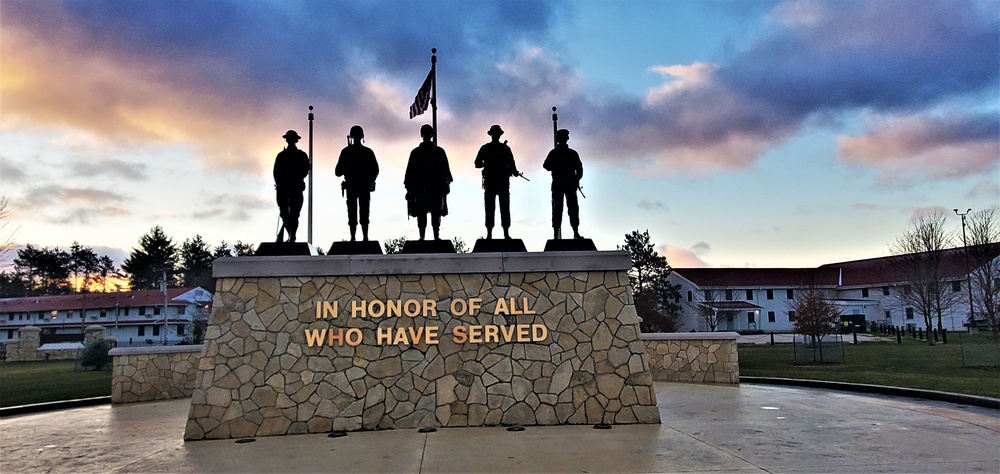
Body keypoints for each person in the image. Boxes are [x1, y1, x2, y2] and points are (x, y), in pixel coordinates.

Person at [404, 124, 452, 240]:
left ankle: (434, 236)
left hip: (434, 187)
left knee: (435, 212)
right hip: (421, 187)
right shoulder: (417, 153)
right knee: (422, 212)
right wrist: (409, 188)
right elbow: (410, 173)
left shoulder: (437, 152)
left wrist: (446, 184)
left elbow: (446, 172)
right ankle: (424, 236)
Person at [474, 125, 520, 239]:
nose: (496, 136)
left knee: (504, 208)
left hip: (502, 181)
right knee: (490, 208)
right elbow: (477, 163)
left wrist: (514, 171)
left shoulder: (505, 149)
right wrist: (488, 164)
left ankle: (506, 233)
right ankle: (489, 233)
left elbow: (512, 164)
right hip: (491, 181)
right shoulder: (487, 148)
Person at [335, 125, 379, 241]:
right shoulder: (366, 152)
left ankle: (356, 237)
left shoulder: (347, 152)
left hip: (357, 185)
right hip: (358, 185)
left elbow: (338, 171)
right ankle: (361, 236)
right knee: (360, 212)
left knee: (355, 212)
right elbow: (338, 171)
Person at [542, 128, 583, 239]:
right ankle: (557, 234)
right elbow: (546, 165)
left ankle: (575, 233)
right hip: (559, 185)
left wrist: (576, 179)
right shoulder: (555, 153)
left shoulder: (571, 153)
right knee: (558, 209)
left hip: (568, 185)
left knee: (572, 209)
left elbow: (579, 169)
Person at [273, 130, 310, 243]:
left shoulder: (301, 155)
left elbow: (305, 170)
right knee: (285, 213)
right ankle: (290, 235)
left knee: (294, 214)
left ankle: (292, 236)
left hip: (295, 188)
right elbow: (276, 173)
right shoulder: (281, 156)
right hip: (284, 188)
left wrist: (294, 179)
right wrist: (281, 183)